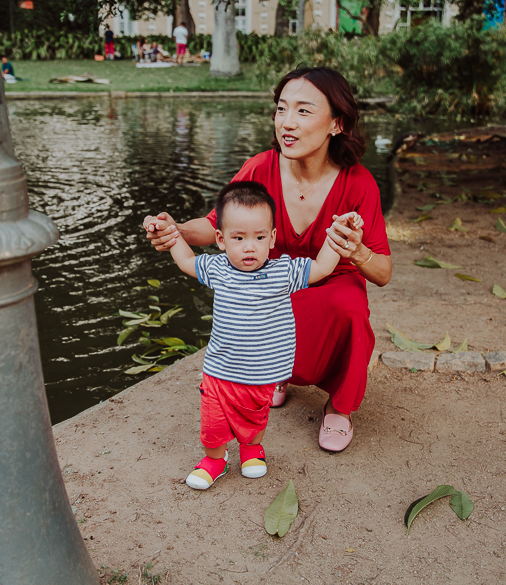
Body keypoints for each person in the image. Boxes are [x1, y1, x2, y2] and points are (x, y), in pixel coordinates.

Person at [144, 67, 392, 453]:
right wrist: (173, 229)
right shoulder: (260, 167)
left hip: (329, 282)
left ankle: (339, 409)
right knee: (254, 294)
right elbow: (215, 228)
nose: (287, 123)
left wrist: (356, 250)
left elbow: (383, 273)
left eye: (303, 111)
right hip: (269, 280)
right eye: (281, 109)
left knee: (349, 305)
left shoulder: (358, 183)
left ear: (336, 124)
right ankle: (272, 373)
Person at [152, 179, 362, 489]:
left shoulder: (282, 272)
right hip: (219, 371)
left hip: (263, 371)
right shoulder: (218, 268)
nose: (249, 246)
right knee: (213, 424)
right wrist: (171, 235)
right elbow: (185, 260)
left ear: (272, 238)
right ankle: (215, 460)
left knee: (254, 418)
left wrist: (337, 233)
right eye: (238, 238)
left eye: (259, 237)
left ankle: (252, 449)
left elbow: (321, 268)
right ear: (221, 240)